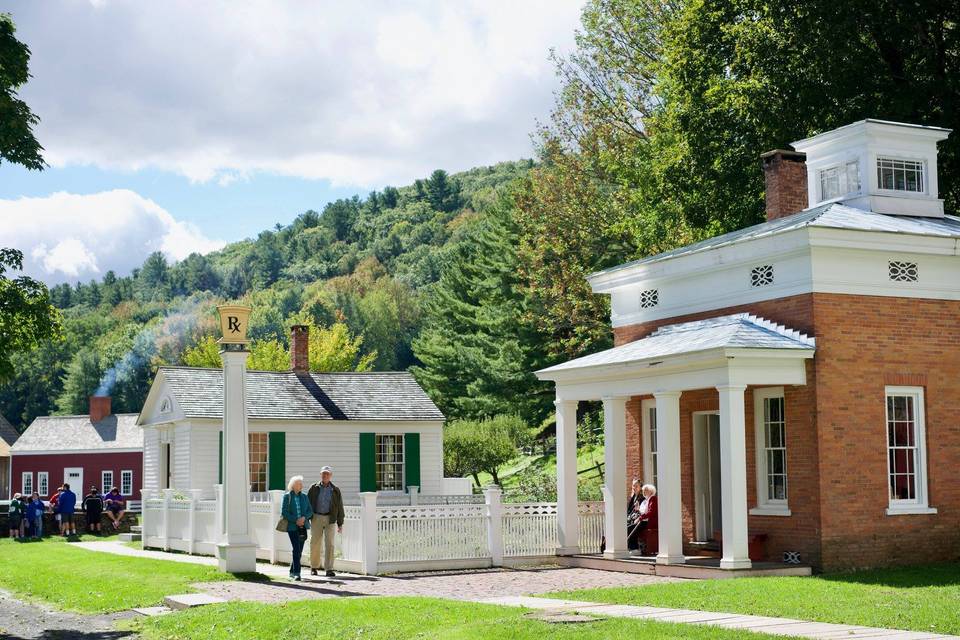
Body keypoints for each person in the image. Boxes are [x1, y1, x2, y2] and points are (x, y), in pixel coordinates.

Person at [307, 466, 344, 577]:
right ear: (320, 475)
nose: (325, 476)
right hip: (316, 517)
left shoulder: (336, 490)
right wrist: (307, 518)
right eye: (323, 474)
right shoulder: (313, 488)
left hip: (330, 519)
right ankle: (314, 567)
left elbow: (340, 506)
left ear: (331, 476)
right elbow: (307, 503)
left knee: (330, 544)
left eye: (327, 474)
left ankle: (329, 569)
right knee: (315, 542)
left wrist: (340, 522)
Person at [281, 475, 313, 581]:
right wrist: (296, 520)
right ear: (293, 485)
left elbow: (310, 511)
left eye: (301, 484)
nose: (301, 486)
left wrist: (304, 518)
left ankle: (291, 571)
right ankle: (297, 573)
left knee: (299, 550)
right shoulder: (287, 497)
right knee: (296, 548)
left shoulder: (304, 496)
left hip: (303, 526)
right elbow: (284, 512)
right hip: (292, 527)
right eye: (299, 484)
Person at [627, 482, 658, 555]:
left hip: (648, 522)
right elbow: (642, 512)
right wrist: (637, 509)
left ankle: (635, 549)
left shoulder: (653, 498)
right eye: (643, 490)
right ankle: (633, 548)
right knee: (629, 527)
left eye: (646, 490)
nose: (644, 492)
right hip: (642, 521)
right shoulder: (645, 500)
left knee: (630, 529)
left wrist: (640, 518)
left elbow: (651, 512)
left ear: (651, 491)